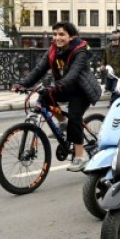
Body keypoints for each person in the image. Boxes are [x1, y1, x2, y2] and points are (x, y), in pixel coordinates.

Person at [14, 22, 102, 171]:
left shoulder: (79, 51)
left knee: (74, 117)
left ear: (71, 36)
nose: (57, 38)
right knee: (43, 98)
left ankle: (79, 157)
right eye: (55, 34)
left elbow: (73, 73)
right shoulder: (53, 50)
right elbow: (39, 70)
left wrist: (58, 85)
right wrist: (22, 84)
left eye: (61, 34)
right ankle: (63, 122)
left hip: (81, 90)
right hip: (64, 87)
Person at [100, 34, 120, 105]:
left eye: (117, 40)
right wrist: (103, 65)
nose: (116, 42)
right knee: (109, 87)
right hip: (109, 72)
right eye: (114, 40)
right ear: (111, 41)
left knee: (116, 88)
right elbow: (104, 58)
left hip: (118, 73)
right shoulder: (107, 48)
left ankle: (113, 102)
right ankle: (117, 100)